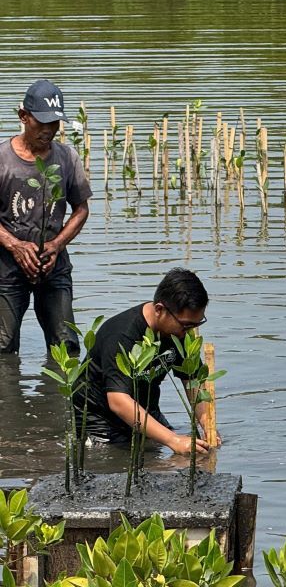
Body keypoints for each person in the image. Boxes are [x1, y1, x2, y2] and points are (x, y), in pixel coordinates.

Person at [76, 268, 217, 453]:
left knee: (194, 453)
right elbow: (118, 400)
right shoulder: (122, 335)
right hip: (101, 419)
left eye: (197, 324)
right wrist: (173, 440)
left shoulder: (180, 332)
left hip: (146, 408)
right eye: (186, 325)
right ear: (160, 309)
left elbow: (192, 381)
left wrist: (207, 425)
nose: (190, 331)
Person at [0, 79, 92, 356]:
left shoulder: (67, 158)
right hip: (7, 268)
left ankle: (60, 400)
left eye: (54, 123)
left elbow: (81, 209)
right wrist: (16, 246)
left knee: (67, 347)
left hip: (54, 264)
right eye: (42, 123)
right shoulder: (2, 159)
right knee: (3, 349)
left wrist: (56, 245)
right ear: (23, 117)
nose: (49, 130)